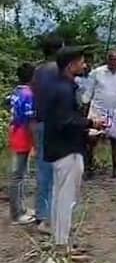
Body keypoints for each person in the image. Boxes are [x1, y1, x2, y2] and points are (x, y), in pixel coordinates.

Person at [44, 47, 105, 259]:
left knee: (62, 197)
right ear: (71, 65)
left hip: (65, 147)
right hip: (66, 150)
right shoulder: (63, 90)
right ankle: (61, 248)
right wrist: (90, 123)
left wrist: (85, 129)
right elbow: (64, 121)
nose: (85, 65)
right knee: (65, 199)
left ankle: (62, 242)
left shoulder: (62, 87)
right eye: (81, 62)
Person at [31, 34, 63, 234]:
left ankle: (42, 213)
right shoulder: (58, 71)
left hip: (40, 122)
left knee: (44, 170)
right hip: (54, 124)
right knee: (56, 172)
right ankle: (49, 219)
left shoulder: (38, 70)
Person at [83, 50, 116, 178]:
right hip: (98, 109)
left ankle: (115, 169)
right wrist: (85, 108)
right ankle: (89, 168)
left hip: (114, 110)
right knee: (92, 139)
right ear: (107, 60)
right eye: (113, 60)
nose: (115, 62)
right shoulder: (97, 73)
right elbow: (88, 93)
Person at [8, 63, 36, 225]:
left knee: (22, 174)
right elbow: (29, 121)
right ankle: (16, 213)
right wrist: (35, 144)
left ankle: (22, 208)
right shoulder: (28, 94)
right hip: (23, 136)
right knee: (18, 176)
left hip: (16, 133)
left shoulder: (17, 91)